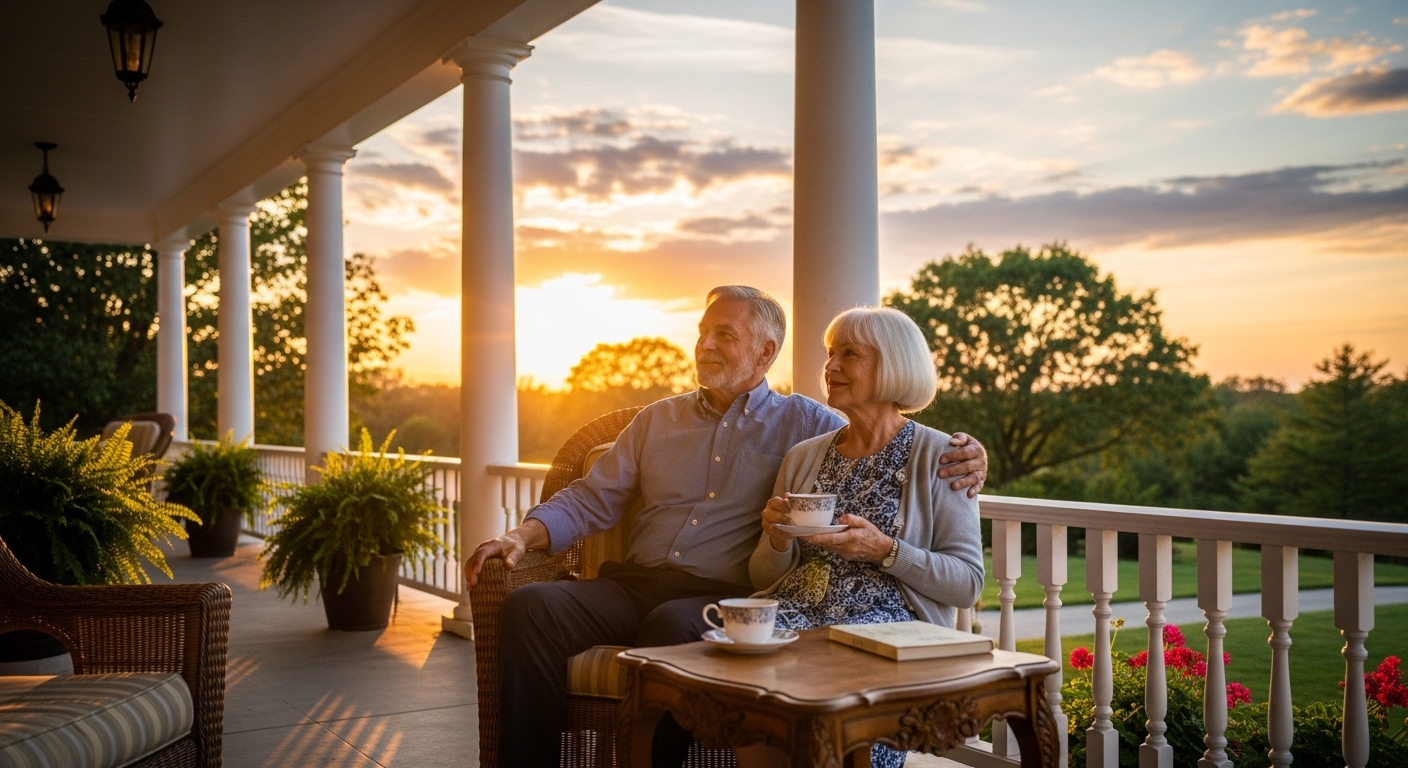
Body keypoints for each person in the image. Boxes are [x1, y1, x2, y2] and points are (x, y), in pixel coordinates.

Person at [465, 286, 989, 768]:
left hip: (715, 595)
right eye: (702, 332)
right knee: (531, 607)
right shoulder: (657, 420)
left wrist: (973, 457)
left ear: (765, 353)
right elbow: (590, 497)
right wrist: (520, 535)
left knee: (673, 628)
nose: (704, 345)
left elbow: (883, 429)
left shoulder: (808, 426)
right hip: (631, 584)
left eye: (724, 335)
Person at [740, 306, 984, 768]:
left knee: (830, 717)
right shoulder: (803, 457)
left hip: (884, 633)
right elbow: (762, 576)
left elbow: (967, 582)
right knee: (748, 698)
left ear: (892, 363)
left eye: (848, 354)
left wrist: (886, 551)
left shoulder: (943, 456)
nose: (830, 367)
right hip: (798, 619)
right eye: (830, 354)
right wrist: (777, 540)